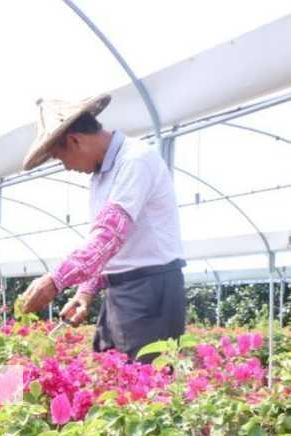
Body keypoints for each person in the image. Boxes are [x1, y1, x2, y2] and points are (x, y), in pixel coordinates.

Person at [16, 94, 186, 361]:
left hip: (151, 292)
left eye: (62, 159)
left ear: (75, 140)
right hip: (120, 291)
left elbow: (109, 236)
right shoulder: (101, 175)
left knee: (141, 388)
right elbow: (105, 248)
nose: (67, 168)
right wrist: (85, 292)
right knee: (108, 374)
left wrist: (55, 281)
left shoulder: (135, 160)